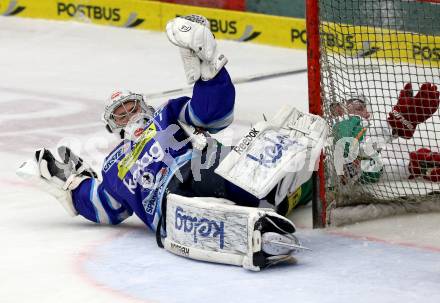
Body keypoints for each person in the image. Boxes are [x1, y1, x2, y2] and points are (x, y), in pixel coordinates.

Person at [17, 15, 326, 271]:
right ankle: (256, 225)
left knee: (225, 175)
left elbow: (212, 114)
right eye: (120, 114)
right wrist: (71, 187)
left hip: (202, 171)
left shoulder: (168, 115)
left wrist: (210, 73)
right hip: (170, 211)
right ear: (113, 127)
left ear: (145, 107)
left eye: (132, 107)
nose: (128, 114)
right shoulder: (113, 167)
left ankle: (300, 180)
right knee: (184, 214)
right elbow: (103, 207)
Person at [329, 84, 440, 186]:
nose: (367, 114)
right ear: (339, 111)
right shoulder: (341, 126)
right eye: (359, 108)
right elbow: (357, 146)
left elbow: (372, 170)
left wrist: (412, 167)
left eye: (366, 109)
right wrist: (394, 124)